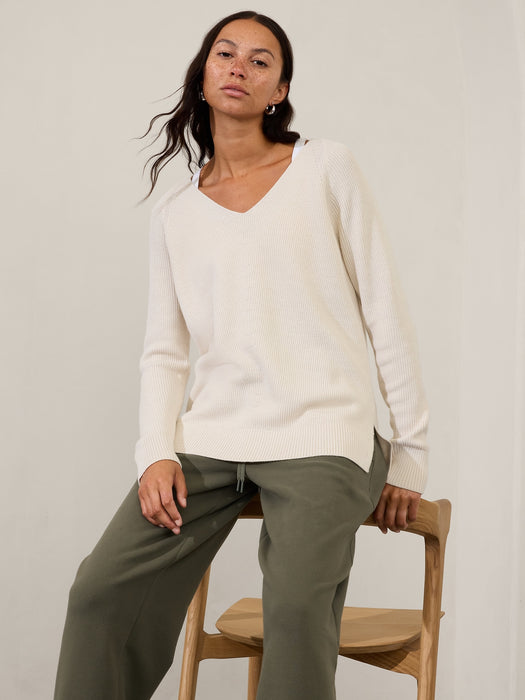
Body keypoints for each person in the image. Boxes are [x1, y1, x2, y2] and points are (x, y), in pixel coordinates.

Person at [53, 10, 429, 700]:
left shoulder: (325, 167)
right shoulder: (176, 213)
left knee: (294, 610)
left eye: (261, 61)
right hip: (212, 438)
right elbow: (165, 352)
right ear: (202, 76)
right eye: (225, 54)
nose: (239, 68)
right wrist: (155, 453)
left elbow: (386, 311)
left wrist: (409, 453)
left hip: (322, 433)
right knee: (99, 591)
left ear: (279, 90)